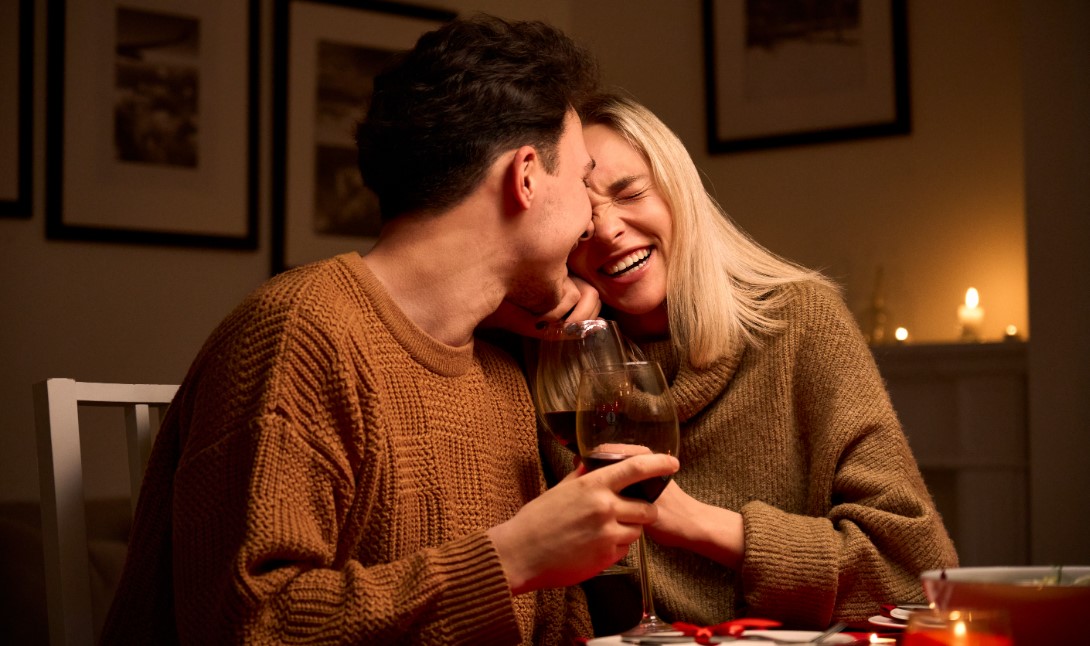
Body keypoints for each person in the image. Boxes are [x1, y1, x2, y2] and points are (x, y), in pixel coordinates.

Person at [100, 19, 679, 645]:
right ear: (528, 175)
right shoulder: (298, 334)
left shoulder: (501, 374)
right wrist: (508, 558)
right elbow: (247, 624)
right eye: (582, 177)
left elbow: (553, 626)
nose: (592, 225)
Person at [537, 92, 959, 634]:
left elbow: (918, 578)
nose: (610, 228)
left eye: (630, 193)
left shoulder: (800, 322)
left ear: (679, 193)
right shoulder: (553, 364)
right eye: (582, 216)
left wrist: (693, 523)